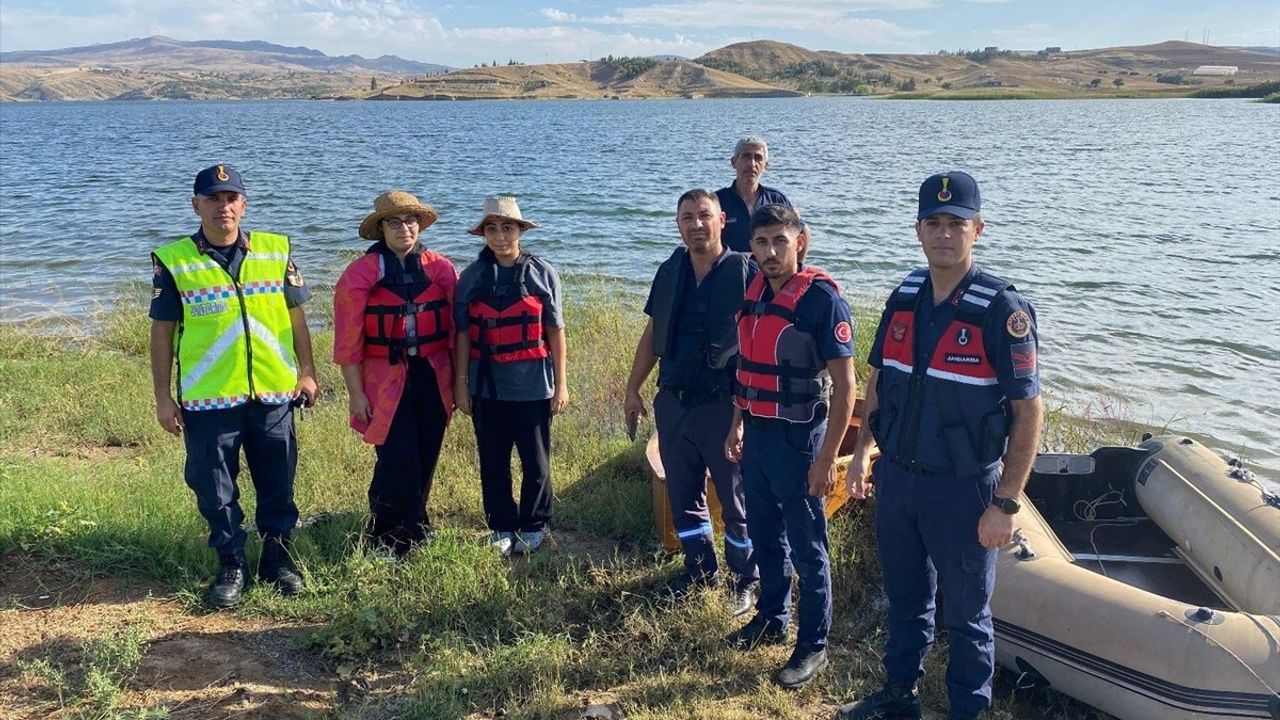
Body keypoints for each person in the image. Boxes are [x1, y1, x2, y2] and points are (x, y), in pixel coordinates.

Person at [836, 172, 1044, 720]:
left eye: (957, 224)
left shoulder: (1003, 310)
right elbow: (880, 380)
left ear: (978, 229)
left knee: (968, 617)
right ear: (918, 230)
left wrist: (1005, 503)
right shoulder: (904, 297)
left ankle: (966, 712)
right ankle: (899, 696)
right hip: (898, 478)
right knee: (906, 601)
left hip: (965, 488)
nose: (944, 234)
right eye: (934, 222)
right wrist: (861, 454)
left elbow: (1029, 413)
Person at [149, 164, 318, 608]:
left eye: (231, 198)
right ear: (196, 205)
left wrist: (307, 371)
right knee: (215, 488)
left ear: (243, 204)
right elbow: (162, 332)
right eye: (213, 198)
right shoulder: (175, 260)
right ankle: (231, 562)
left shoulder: (275, 250)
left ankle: (277, 559)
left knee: (278, 481)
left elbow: (297, 317)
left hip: (273, 392)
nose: (223, 206)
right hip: (209, 398)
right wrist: (163, 397)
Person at [724, 204, 856, 689]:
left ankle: (812, 645)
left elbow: (846, 388)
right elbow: (746, 367)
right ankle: (771, 618)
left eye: (780, 240)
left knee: (808, 546)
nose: (771, 252)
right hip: (758, 433)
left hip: (801, 440)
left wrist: (827, 459)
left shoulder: (822, 302)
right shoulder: (754, 290)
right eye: (761, 242)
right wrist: (736, 422)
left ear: (801, 240)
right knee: (764, 533)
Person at [623, 188, 760, 615]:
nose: (696, 224)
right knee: (683, 493)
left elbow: (765, 338)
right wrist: (633, 389)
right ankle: (699, 570)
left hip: (724, 405)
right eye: (687, 217)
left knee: (736, 497)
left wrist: (745, 413)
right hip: (674, 403)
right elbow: (652, 335)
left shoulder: (745, 271)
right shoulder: (669, 271)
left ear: (723, 220)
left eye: (704, 215)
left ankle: (746, 579)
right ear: (678, 224)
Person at [333, 190, 457, 558]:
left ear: (420, 226)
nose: (404, 228)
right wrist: (356, 394)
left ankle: (417, 525)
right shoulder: (360, 274)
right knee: (397, 456)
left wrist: (463, 384)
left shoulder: (441, 268)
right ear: (381, 229)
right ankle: (386, 535)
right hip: (384, 379)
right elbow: (347, 343)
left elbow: (458, 334)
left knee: (426, 452)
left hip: (433, 375)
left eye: (411, 220)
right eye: (395, 221)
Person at [453, 196, 567, 556]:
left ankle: (534, 523)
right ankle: (501, 524)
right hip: (487, 386)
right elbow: (462, 335)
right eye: (492, 228)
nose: (500, 235)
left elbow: (555, 331)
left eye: (507, 227)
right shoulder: (471, 277)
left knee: (536, 460)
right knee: (493, 460)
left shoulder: (541, 273)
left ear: (520, 231)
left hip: (533, 385)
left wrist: (561, 384)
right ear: (483, 234)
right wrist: (461, 385)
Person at [715, 136, 792, 253]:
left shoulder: (776, 199)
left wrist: (797, 268)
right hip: (731, 269)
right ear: (734, 162)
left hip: (768, 269)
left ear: (766, 166)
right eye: (746, 156)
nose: (752, 164)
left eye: (758, 158)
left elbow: (800, 234)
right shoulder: (718, 200)